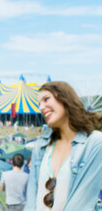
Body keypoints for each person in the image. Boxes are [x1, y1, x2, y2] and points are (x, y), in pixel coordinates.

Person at [25, 81, 102, 211]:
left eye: (46, 99)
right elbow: (32, 198)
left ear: (65, 98)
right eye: (39, 104)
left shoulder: (94, 142)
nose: (41, 108)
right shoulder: (41, 145)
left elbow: (82, 202)